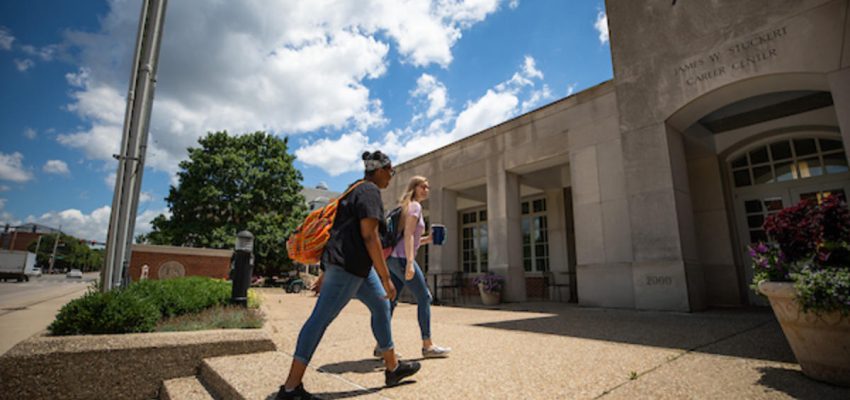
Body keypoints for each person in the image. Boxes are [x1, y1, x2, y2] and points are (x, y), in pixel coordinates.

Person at [276, 151, 421, 400]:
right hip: (349, 268)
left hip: (356, 268)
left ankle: (392, 368)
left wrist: (326, 271)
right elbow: (369, 235)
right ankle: (290, 389)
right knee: (320, 319)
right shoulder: (369, 191)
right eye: (391, 171)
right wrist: (386, 277)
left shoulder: (353, 189)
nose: (390, 177)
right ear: (381, 169)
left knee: (381, 305)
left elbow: (341, 234)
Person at [374, 176, 451, 359]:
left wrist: (427, 239)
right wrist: (410, 263)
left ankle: (381, 346)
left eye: (427, 187)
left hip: (393, 259)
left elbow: (409, 238)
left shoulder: (405, 207)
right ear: (414, 188)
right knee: (424, 297)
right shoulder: (415, 207)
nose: (426, 189)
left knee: (391, 301)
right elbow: (408, 235)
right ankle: (428, 346)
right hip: (401, 259)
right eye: (422, 186)